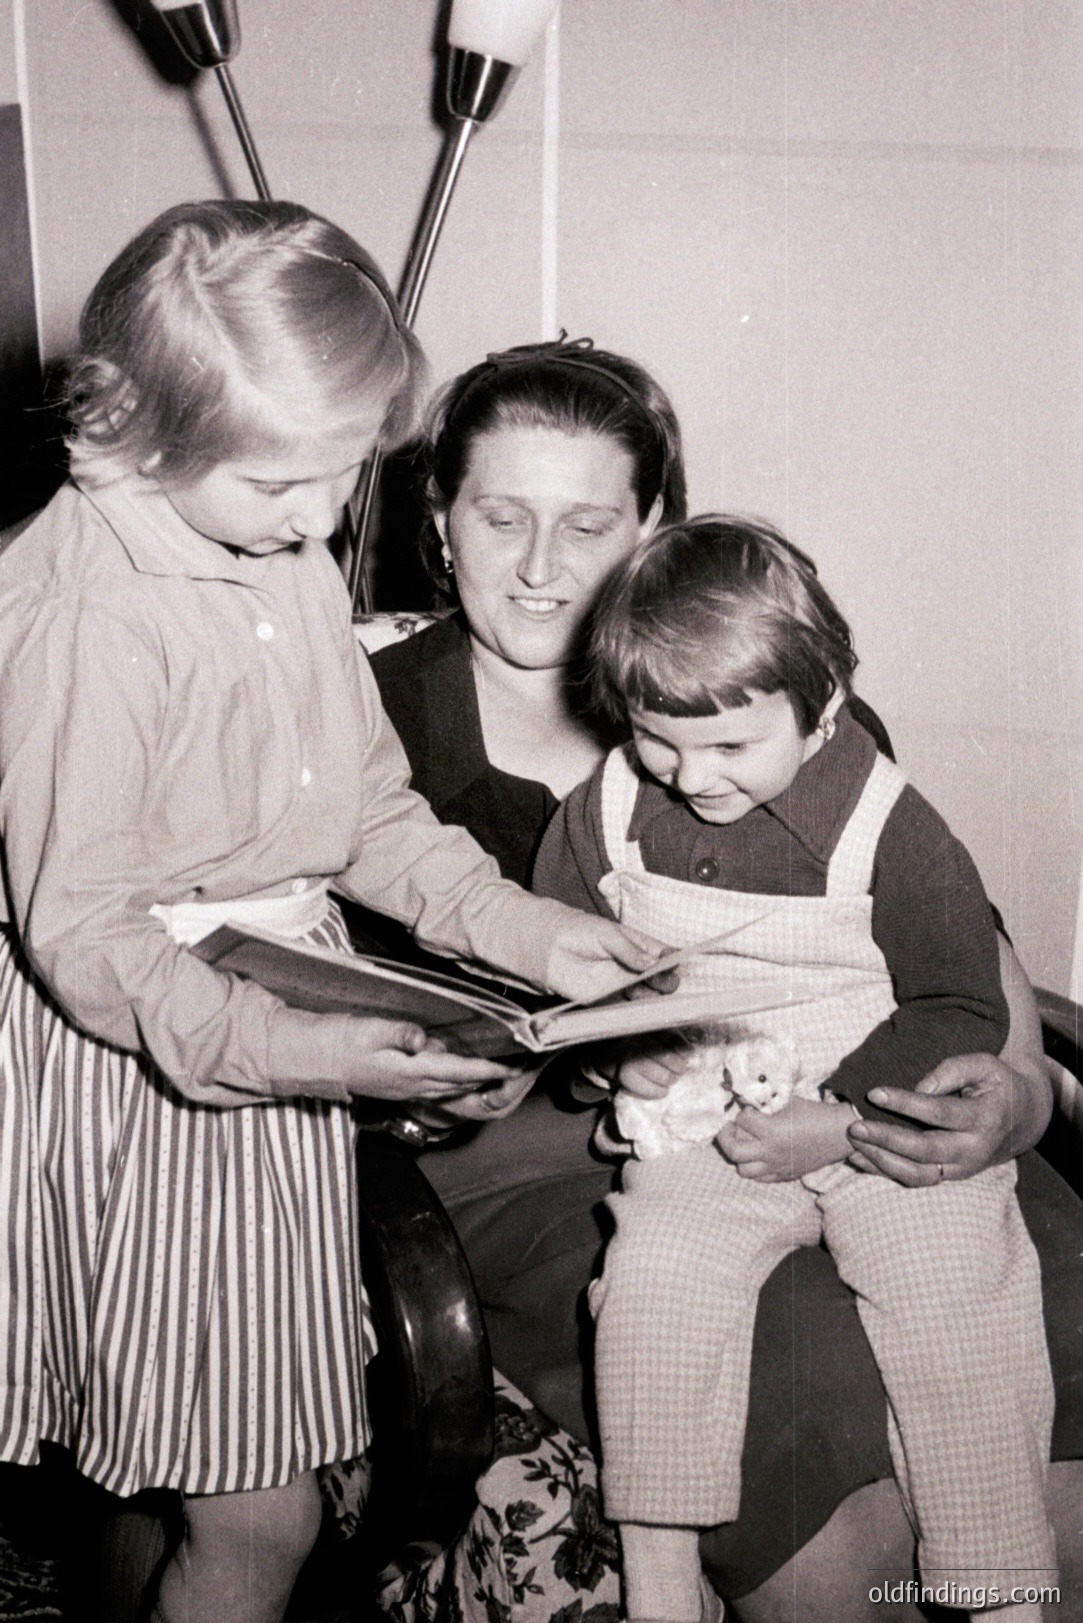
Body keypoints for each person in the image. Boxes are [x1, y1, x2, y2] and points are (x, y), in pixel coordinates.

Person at [0, 206, 663, 1623]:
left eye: (344, 468)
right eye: (277, 479)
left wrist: (532, 933)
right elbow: (87, 936)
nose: (319, 519)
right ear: (133, 424)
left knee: (242, 1479)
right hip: (158, 1068)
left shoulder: (281, 558)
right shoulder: (86, 613)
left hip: (266, 1047)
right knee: (258, 1509)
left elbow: (367, 813)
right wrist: (306, 1053)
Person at [364, 337, 1083, 1622]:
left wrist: (1020, 1097)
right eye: (500, 516)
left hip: (853, 1086)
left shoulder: (764, 696)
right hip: (554, 1157)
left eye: (589, 525)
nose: (539, 568)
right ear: (439, 520)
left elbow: (960, 949)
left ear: (655, 530)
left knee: (1043, 1305)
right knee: (798, 1382)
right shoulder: (364, 722)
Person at [533, 515, 1056, 1623]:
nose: (690, 776)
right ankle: (661, 1579)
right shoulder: (607, 810)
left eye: (730, 747)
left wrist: (845, 1121)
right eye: (657, 739)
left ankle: (999, 1583)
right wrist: (619, 1051)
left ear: (821, 709)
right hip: (711, 1105)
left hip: (883, 1106)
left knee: (957, 1295)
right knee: (655, 1281)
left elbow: (958, 999)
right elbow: (562, 970)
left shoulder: (891, 822)